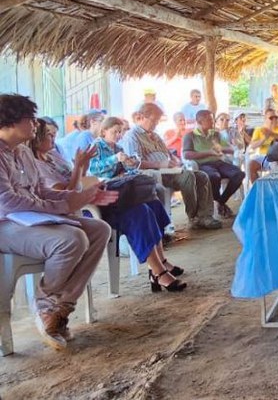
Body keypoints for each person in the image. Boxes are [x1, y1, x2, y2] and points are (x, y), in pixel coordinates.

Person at [0, 94, 117, 350]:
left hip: (31, 218)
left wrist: (76, 197)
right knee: (71, 239)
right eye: (29, 119)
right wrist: (64, 205)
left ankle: (59, 308)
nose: (35, 124)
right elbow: (7, 202)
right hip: (6, 225)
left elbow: (41, 191)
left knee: (99, 229)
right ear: (9, 121)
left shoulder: (23, 152)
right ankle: (46, 305)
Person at [72, 118, 185, 292]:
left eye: (120, 131)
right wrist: (114, 160)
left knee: (153, 203)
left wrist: (130, 165)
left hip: (121, 193)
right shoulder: (96, 147)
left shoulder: (118, 147)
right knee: (141, 211)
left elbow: (127, 172)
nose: (119, 135)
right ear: (104, 132)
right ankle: (157, 270)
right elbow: (93, 171)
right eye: (115, 131)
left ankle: (160, 262)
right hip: (105, 198)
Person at [122, 103, 221, 230]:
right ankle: (194, 216)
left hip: (169, 170)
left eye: (157, 121)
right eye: (154, 120)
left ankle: (205, 215)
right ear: (142, 117)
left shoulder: (154, 134)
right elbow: (135, 163)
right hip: (153, 173)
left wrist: (175, 160)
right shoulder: (132, 136)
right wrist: (160, 164)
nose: (156, 124)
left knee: (202, 176)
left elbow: (168, 153)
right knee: (188, 177)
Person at [183, 110, 245, 218]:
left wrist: (221, 148)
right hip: (203, 165)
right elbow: (187, 155)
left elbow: (230, 150)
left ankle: (220, 202)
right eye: (209, 119)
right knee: (214, 176)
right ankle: (220, 204)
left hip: (219, 162)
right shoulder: (190, 136)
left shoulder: (215, 134)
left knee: (239, 174)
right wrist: (208, 152)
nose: (212, 121)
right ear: (200, 121)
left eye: (212, 119)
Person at [247, 108, 278, 181]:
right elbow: (253, 146)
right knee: (251, 164)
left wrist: (272, 134)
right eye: (271, 118)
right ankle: (258, 189)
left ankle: (275, 189)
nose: (274, 119)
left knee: (275, 165)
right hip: (264, 157)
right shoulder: (259, 130)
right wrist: (264, 138)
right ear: (265, 118)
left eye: (276, 117)